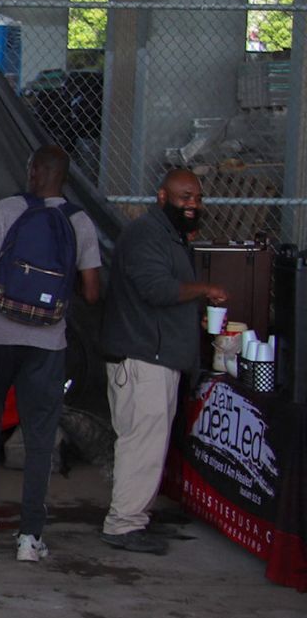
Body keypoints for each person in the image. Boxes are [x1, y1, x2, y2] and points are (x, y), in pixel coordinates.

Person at [0, 144, 102, 561]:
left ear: (33, 171)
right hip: (47, 341)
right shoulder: (80, 222)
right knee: (39, 437)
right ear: (65, 178)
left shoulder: (8, 209)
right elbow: (91, 292)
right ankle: (29, 538)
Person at [99, 168, 227, 555]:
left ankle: (132, 518)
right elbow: (156, 289)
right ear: (161, 196)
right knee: (141, 443)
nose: (193, 204)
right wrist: (204, 289)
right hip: (142, 359)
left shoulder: (166, 235)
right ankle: (123, 525)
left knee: (144, 444)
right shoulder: (146, 235)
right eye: (185, 196)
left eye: (197, 198)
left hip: (153, 357)